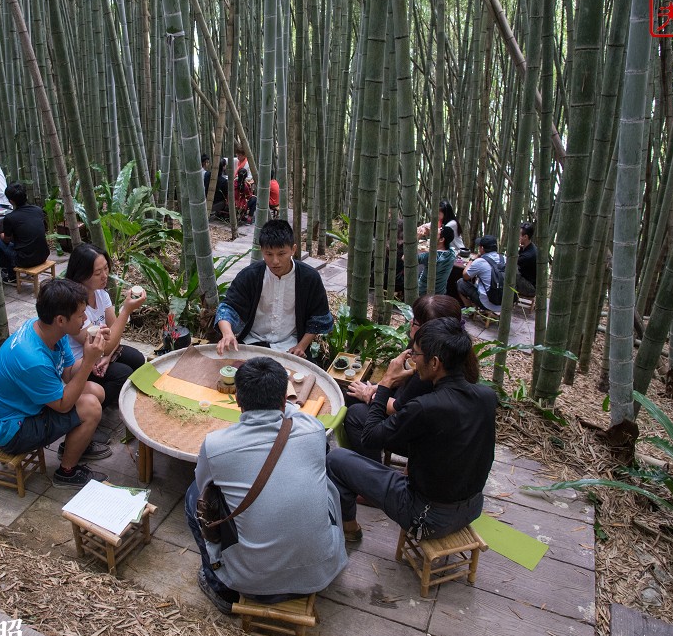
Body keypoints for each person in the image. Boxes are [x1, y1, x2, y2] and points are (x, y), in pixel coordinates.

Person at [185, 356, 348, 614]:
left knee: (194, 496)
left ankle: (220, 585)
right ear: (284, 399)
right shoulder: (313, 430)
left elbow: (202, 484)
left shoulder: (215, 445)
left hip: (251, 581)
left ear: (237, 399)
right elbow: (294, 413)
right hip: (322, 571)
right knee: (322, 483)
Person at [327, 317, 495, 543]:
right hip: (472, 508)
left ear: (434, 363)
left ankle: (350, 529)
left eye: (415, 354)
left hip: (426, 518)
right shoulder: (486, 396)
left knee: (336, 459)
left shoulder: (426, 407)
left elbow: (370, 437)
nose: (412, 359)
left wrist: (387, 381)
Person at [0, 279, 113, 485]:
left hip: (31, 408)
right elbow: (63, 406)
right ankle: (67, 473)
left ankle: (76, 444)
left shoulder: (51, 331)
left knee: (96, 391)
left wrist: (92, 349)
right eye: (81, 315)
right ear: (61, 319)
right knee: (90, 408)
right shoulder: (32, 359)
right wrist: (89, 361)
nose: (85, 319)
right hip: (12, 430)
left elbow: (69, 374)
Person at [344, 295, 479, 462]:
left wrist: (373, 392)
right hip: (412, 411)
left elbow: (401, 409)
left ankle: (373, 469)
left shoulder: (430, 368)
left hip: (421, 436)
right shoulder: (439, 350)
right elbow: (403, 386)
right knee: (351, 392)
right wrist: (378, 387)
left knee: (356, 415)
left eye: (415, 322)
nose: (410, 323)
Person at [215, 219, 333, 357]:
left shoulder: (309, 278)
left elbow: (318, 318)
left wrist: (301, 346)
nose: (275, 261)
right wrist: (228, 334)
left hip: (290, 345)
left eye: (281, 254)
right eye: (269, 254)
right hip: (252, 343)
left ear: (293, 250)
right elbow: (228, 308)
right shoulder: (250, 275)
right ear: (262, 251)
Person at [63, 243, 148, 411]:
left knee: (138, 360)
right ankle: (92, 410)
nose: (104, 276)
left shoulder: (101, 294)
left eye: (106, 269)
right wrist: (126, 310)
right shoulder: (73, 306)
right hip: (82, 362)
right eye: (97, 273)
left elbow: (114, 331)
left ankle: (117, 397)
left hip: (100, 353)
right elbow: (105, 343)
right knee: (122, 374)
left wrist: (107, 356)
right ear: (81, 275)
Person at [0, 182, 50, 283]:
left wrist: (0, 235)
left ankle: (11, 275)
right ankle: (11, 273)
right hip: (44, 254)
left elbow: (6, 240)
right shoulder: (38, 210)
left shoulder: (10, 217)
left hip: (25, 260)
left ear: (11, 201)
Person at [458, 234, 504, 315]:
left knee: (461, 283)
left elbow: (465, 276)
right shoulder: (504, 259)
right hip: (505, 303)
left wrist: (472, 259)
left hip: (487, 303)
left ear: (482, 248)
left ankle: (469, 310)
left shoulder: (480, 262)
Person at [416, 225, 456, 296]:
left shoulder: (431, 256)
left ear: (441, 239)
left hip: (423, 293)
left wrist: (417, 237)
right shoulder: (452, 253)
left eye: (439, 230)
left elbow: (406, 259)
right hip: (440, 293)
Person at [517, 222, 537, 298]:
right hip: (526, 280)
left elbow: (511, 265)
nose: (517, 237)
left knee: (507, 275)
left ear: (525, 236)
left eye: (519, 235)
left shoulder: (528, 255)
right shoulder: (529, 247)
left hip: (530, 288)